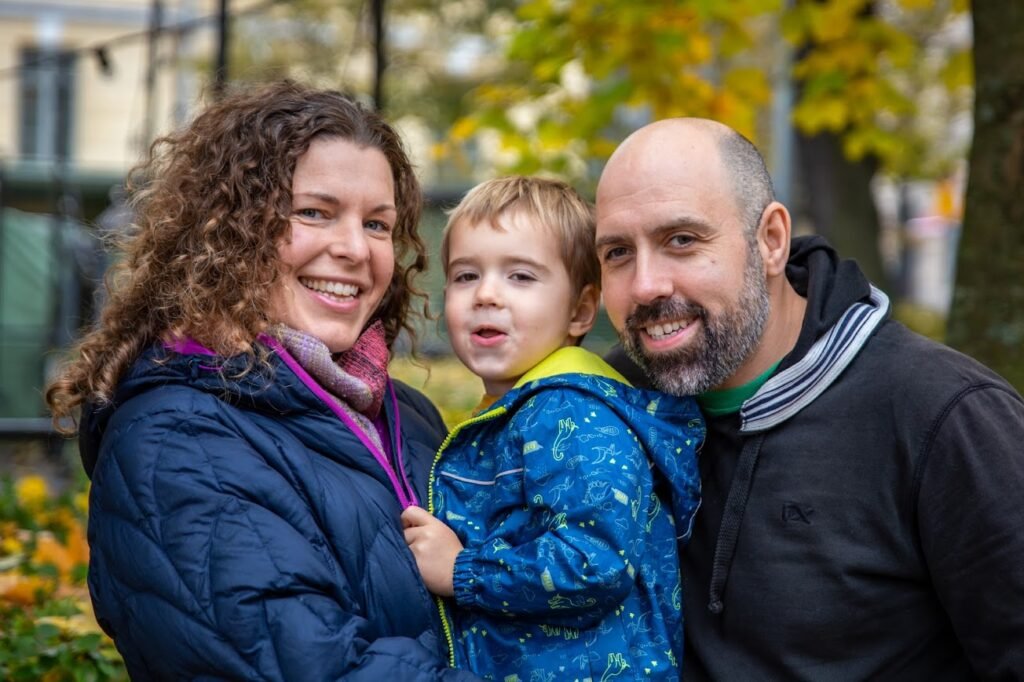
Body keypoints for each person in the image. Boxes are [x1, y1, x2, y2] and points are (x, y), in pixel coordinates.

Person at [46, 81, 479, 681]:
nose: (355, 248)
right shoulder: (178, 437)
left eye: (378, 224)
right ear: (228, 230)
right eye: (313, 213)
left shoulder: (406, 415)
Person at [595, 117, 1024, 680]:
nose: (646, 285)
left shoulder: (944, 416)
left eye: (682, 240)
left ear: (770, 240)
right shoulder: (607, 409)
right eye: (618, 253)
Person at [400, 176, 704, 681]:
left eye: (520, 276)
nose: (487, 295)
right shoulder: (516, 411)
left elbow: (596, 560)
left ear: (581, 310)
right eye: (466, 275)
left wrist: (461, 571)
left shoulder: (569, 411)